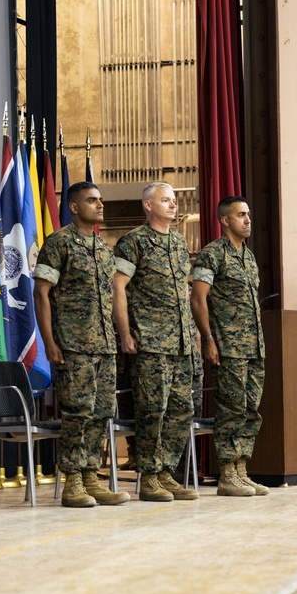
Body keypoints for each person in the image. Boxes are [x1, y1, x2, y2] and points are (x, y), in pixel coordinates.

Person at [33, 182, 130, 508]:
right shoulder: (59, 242)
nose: (100, 205)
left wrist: (120, 335)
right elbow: (41, 293)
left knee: (102, 412)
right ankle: (73, 482)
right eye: (92, 200)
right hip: (73, 344)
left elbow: (115, 297)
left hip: (104, 346)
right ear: (74, 207)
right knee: (78, 413)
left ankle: (92, 476)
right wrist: (49, 341)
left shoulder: (105, 250)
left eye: (101, 200)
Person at [112, 182, 198, 501]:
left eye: (174, 201)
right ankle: (148, 476)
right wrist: (125, 333)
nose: (173, 205)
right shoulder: (134, 241)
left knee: (181, 408)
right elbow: (118, 288)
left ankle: (165, 472)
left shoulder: (177, 242)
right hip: (148, 341)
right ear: (148, 206)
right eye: (165, 200)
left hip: (179, 343)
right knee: (152, 409)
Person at [190, 195, 268, 497]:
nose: (247, 220)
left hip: (253, 348)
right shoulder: (213, 255)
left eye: (248, 214)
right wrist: (208, 339)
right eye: (241, 215)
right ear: (225, 221)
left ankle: (241, 470)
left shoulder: (248, 257)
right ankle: (227, 474)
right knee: (231, 411)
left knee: (250, 411)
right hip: (228, 348)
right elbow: (198, 299)